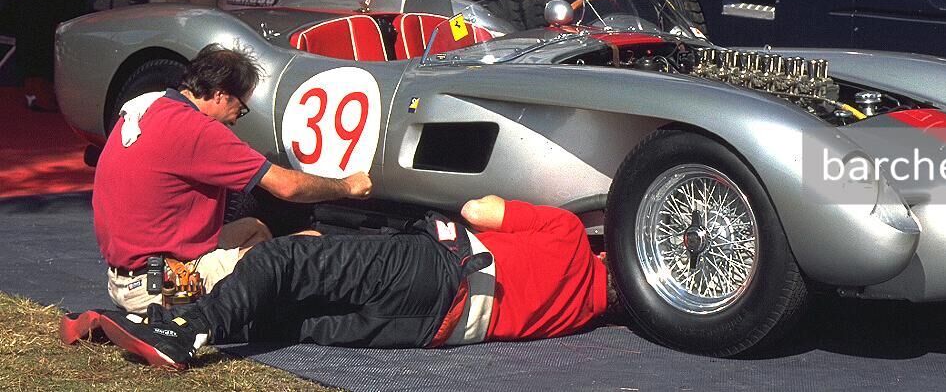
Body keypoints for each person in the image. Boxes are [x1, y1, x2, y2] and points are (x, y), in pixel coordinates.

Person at [64, 195, 609, 370]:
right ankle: (165, 325)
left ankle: (181, 330)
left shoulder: (567, 232)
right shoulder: (590, 312)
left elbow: (477, 207)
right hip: (436, 330)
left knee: (290, 262)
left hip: (441, 269)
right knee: (295, 316)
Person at [92, 43, 373, 315]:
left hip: (126, 279)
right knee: (307, 245)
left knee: (254, 230)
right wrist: (348, 186)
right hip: (162, 288)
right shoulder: (198, 131)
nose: (236, 120)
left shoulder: (148, 106)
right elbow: (288, 187)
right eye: (240, 108)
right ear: (220, 95)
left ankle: (253, 302)